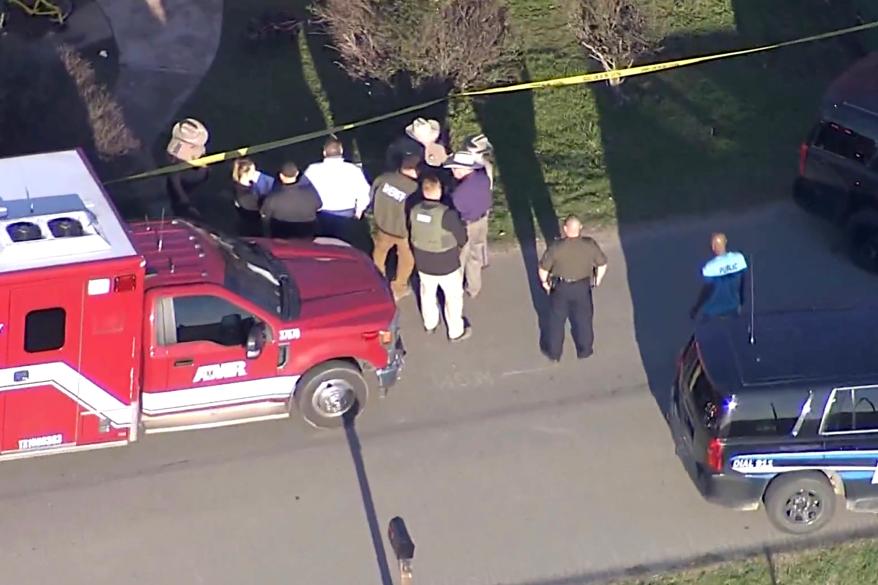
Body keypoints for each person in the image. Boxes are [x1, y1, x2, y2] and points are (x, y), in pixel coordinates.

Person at [538, 215, 608, 362]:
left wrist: (545, 283)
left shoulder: (556, 247)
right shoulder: (589, 245)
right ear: (580, 228)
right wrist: (597, 279)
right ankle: (585, 350)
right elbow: (602, 264)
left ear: (565, 229)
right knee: (584, 319)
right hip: (582, 286)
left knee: (557, 321)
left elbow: (543, 269)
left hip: (561, 287)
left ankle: (554, 353)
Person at [409, 174, 470, 342]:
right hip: (446, 263)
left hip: (423, 261)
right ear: (439, 191)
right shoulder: (446, 214)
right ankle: (455, 331)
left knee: (427, 293)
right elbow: (462, 237)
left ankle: (430, 324)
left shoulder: (414, 210)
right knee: (453, 297)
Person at [303, 137, 371, 249]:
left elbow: (304, 192)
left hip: (321, 216)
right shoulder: (353, 170)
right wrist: (358, 213)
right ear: (341, 151)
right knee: (346, 249)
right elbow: (364, 194)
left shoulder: (312, 170)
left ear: (324, 152)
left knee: (323, 249)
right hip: (346, 217)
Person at [371, 154, 420, 299]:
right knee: (406, 258)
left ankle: (377, 280)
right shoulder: (414, 189)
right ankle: (399, 287)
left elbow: (372, 196)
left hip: (383, 225)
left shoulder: (384, 179)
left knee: (380, 252)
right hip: (403, 232)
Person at [445, 151, 492, 298]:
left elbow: (456, 213)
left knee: (460, 259)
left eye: (455, 168)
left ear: (463, 169)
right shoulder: (483, 178)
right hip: (482, 221)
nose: (453, 171)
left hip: (466, 226)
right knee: (476, 256)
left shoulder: (459, 193)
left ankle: (455, 289)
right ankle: (474, 288)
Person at [689, 233, 748, 320]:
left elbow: (707, 290)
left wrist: (696, 308)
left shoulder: (710, 267)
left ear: (713, 247)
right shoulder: (739, 259)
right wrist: (741, 299)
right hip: (733, 307)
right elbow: (743, 280)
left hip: (713, 312)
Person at [260, 162, 322, 240]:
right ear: (297, 174)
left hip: (282, 237)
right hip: (307, 236)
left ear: (281, 176)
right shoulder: (310, 193)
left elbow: (265, 216)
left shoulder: (273, 197)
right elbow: (319, 205)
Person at [165, 118, 210, 221]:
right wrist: (187, 205)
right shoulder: (175, 161)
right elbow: (175, 184)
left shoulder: (200, 156)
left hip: (195, 181)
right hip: (185, 186)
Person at [231, 158, 275, 236]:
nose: (256, 173)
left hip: (244, 216)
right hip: (253, 218)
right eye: (253, 171)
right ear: (245, 173)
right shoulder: (249, 193)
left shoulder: (236, 185)